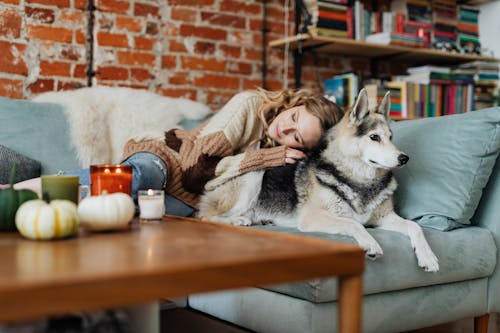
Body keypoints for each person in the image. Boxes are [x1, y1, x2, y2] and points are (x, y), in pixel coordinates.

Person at [12, 89, 343, 217]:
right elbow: (195, 170)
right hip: (165, 156)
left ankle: (39, 209)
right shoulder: (251, 104)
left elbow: (207, 191)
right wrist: (262, 158)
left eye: (296, 137)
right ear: (296, 103)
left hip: (185, 202)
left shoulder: (284, 157)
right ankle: (30, 190)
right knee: (140, 177)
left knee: (131, 214)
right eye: (294, 117)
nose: (285, 130)